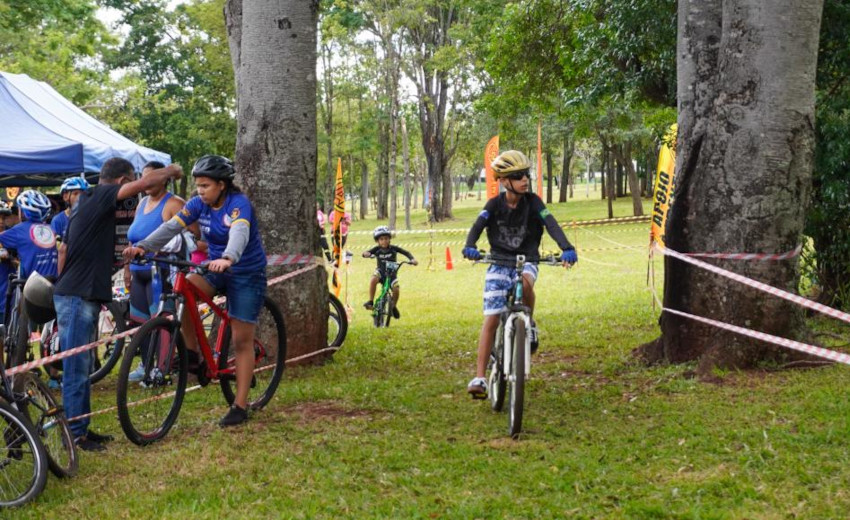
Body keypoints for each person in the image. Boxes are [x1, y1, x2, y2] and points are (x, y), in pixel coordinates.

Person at [124, 155, 267, 427]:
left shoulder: (238, 205)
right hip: (215, 268)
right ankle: (192, 353)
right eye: (198, 186)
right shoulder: (197, 205)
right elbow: (171, 227)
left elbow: (239, 233)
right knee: (186, 288)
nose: (200, 191)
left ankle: (239, 406)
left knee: (241, 341)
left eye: (205, 186)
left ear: (222, 185)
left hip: (245, 272)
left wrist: (228, 257)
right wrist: (144, 245)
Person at [54, 157, 182, 451]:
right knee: (75, 367)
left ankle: (81, 427)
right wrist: (172, 171)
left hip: (80, 294)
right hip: (76, 296)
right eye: (131, 183)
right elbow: (149, 182)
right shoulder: (100, 195)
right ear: (124, 181)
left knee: (82, 365)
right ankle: (74, 435)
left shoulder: (87, 202)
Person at [461, 150, 578, 398]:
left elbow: (551, 223)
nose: (525, 179)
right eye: (518, 176)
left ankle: (529, 323)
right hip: (498, 262)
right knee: (491, 320)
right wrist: (470, 246)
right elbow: (478, 226)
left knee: (526, 285)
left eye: (526, 174)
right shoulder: (493, 205)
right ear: (504, 181)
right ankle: (480, 377)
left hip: (527, 260)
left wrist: (566, 248)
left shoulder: (534, 202)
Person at [124, 161, 192, 382]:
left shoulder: (174, 203)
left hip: (161, 272)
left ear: (164, 178)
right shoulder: (142, 203)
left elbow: (196, 234)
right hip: (138, 271)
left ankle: (162, 369)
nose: (147, 183)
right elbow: (133, 238)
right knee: (139, 321)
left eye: (152, 178)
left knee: (161, 320)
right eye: (143, 179)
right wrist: (127, 269)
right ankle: (145, 365)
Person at [0, 190, 58, 280]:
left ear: (22, 212)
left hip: (32, 286)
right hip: (56, 283)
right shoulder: (52, 229)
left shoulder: (19, 230)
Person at [362, 225, 417, 319]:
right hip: (380, 272)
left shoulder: (393, 248)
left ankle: (393, 306)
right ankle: (370, 301)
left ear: (390, 239)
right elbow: (366, 253)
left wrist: (412, 259)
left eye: (386, 238)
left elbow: (406, 252)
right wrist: (366, 254)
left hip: (392, 273)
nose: (384, 241)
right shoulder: (377, 249)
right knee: (373, 279)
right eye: (381, 239)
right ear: (377, 241)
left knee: (396, 289)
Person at [51, 175, 90, 243]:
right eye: (75, 193)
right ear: (65, 196)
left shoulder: (90, 217)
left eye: (84, 194)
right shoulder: (58, 220)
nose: (80, 197)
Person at [0, 201, 15, 325]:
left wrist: (10, 258)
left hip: (6, 292)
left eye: (3, 217)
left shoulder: (13, 236)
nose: (1, 221)